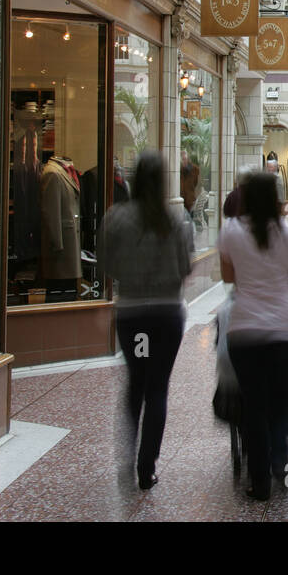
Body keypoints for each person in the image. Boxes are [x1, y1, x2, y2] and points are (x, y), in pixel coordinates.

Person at [98, 150, 194, 490]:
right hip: (166, 316)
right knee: (158, 389)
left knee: (136, 383)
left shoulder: (116, 217)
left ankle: (127, 455)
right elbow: (186, 268)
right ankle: (146, 465)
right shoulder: (176, 220)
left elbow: (106, 265)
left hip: (133, 317)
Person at [218, 171, 288, 501]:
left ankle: (259, 481)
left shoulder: (230, 231)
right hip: (287, 331)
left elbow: (228, 277)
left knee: (254, 407)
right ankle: (282, 465)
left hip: (245, 330)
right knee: (282, 404)